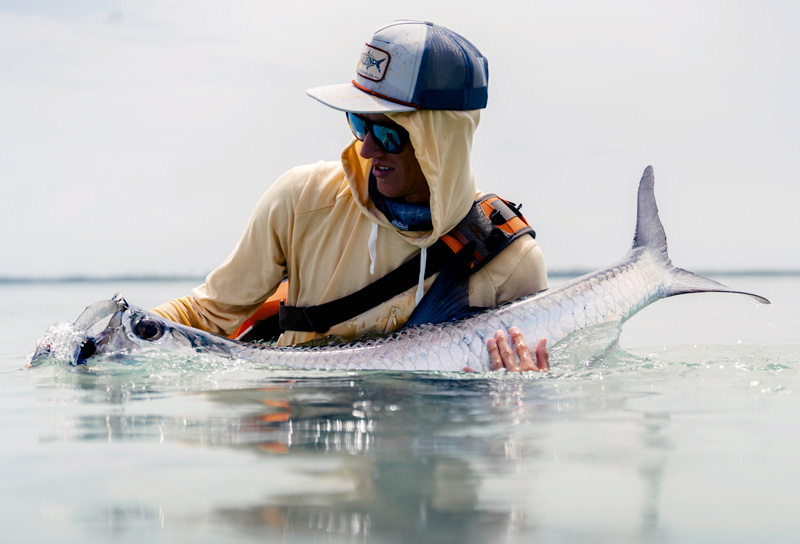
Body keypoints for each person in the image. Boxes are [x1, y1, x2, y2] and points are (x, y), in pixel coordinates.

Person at [152, 20, 549, 372]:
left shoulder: (512, 263)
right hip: (307, 445)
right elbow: (206, 314)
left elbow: (522, 419)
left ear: (442, 142)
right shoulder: (300, 200)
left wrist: (522, 397)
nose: (367, 149)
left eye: (391, 133)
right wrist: (125, 333)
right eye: (360, 123)